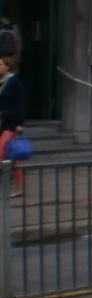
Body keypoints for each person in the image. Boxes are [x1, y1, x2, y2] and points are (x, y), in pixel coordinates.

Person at [0, 55, 26, 197]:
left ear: (7, 67)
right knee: (13, 158)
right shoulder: (2, 82)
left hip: (10, 124)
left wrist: (19, 123)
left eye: (0, 65)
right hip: (2, 122)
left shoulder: (14, 81)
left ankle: (7, 186)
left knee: (2, 154)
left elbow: (20, 103)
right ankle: (19, 188)